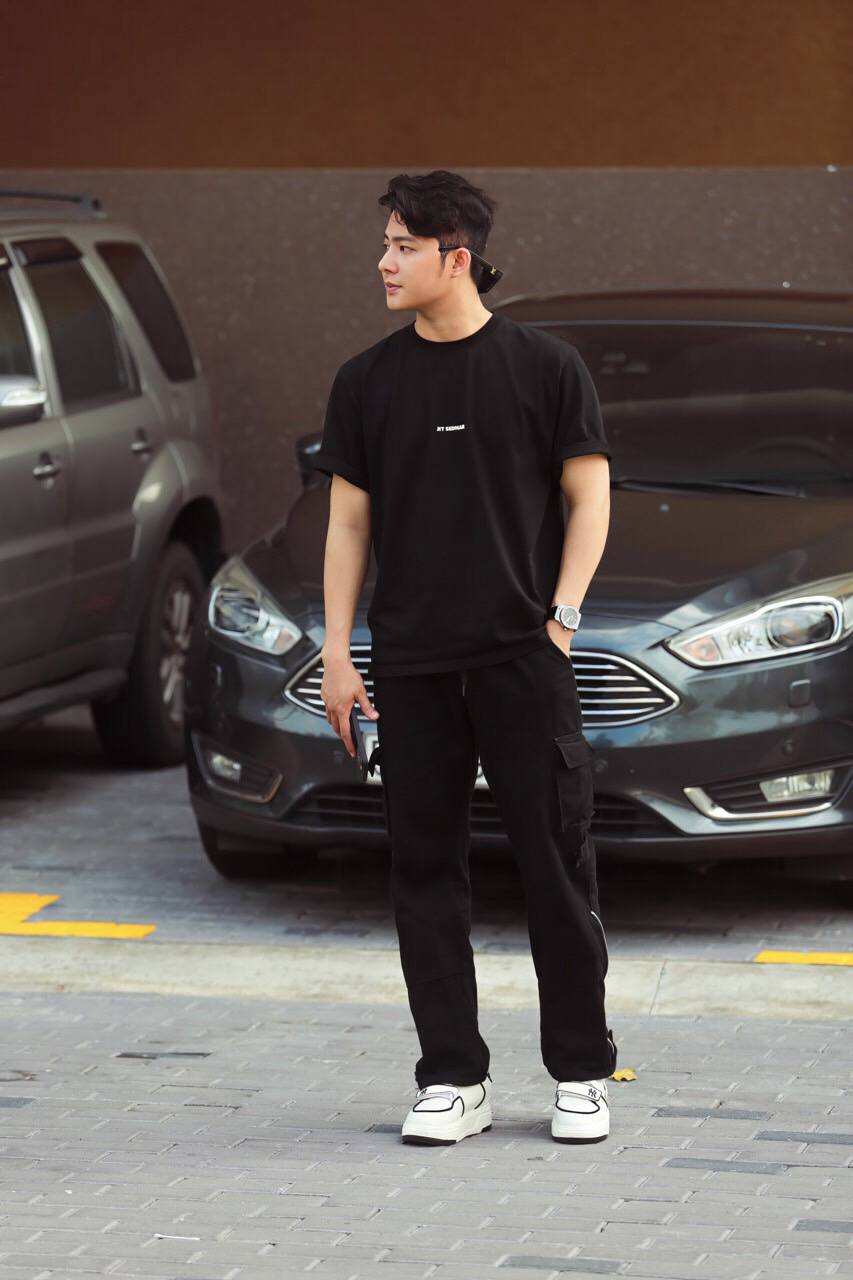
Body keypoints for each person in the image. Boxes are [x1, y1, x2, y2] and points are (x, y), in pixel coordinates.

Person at [313, 169, 617, 1147]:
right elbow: (347, 524)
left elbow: (589, 497)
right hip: (410, 664)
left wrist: (560, 619)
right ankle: (452, 1077)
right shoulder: (366, 381)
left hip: (522, 657)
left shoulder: (544, 367)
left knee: (556, 864)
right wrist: (337, 650)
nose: (382, 261)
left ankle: (580, 1071)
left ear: (455, 258)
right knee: (423, 871)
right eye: (384, 244)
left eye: (401, 246)